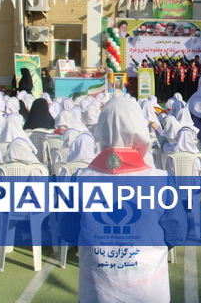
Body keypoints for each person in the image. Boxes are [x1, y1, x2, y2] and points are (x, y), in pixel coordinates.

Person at [74, 96, 186, 303]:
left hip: (98, 288)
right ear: (138, 128)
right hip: (148, 287)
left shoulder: (80, 179)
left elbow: (68, 232)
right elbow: (176, 234)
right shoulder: (160, 180)